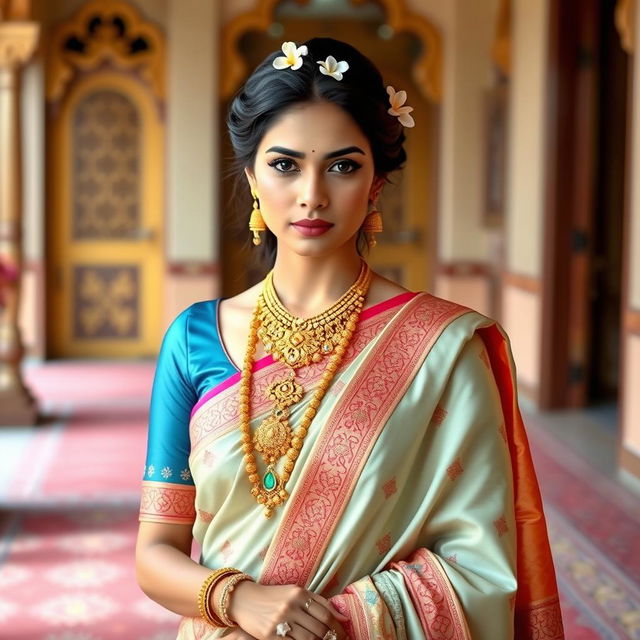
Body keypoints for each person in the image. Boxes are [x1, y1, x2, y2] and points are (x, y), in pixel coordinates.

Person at [135, 37, 564, 640]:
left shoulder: (443, 347)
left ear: (377, 184)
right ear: (253, 177)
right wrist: (238, 599)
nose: (312, 192)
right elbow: (154, 554)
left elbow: (478, 568)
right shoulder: (193, 339)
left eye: (343, 165)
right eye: (285, 164)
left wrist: (336, 621)